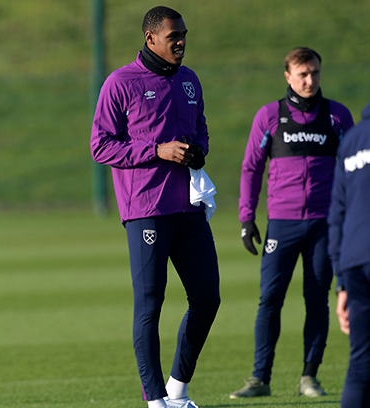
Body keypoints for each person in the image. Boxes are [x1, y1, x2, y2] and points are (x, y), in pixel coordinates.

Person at [91, 6, 220, 408]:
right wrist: (157, 150)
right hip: (146, 209)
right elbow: (101, 146)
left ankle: (178, 391)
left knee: (207, 298)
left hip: (189, 207)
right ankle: (155, 401)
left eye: (184, 34)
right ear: (150, 39)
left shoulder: (189, 80)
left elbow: (201, 129)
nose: (181, 41)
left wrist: (198, 150)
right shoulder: (120, 83)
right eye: (173, 36)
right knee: (150, 304)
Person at [231, 47, 354, 399]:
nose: (309, 80)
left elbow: (356, 169)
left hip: (324, 224)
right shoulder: (269, 116)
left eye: (314, 72)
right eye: (302, 74)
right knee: (269, 299)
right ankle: (259, 378)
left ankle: (309, 377)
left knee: (317, 300)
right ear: (287, 76)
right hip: (281, 224)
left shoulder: (338, 117)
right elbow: (251, 168)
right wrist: (246, 217)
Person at [329, 100, 370, 407]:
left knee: (360, 363)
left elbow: (337, 214)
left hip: (354, 260)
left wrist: (341, 282)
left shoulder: (352, 139)